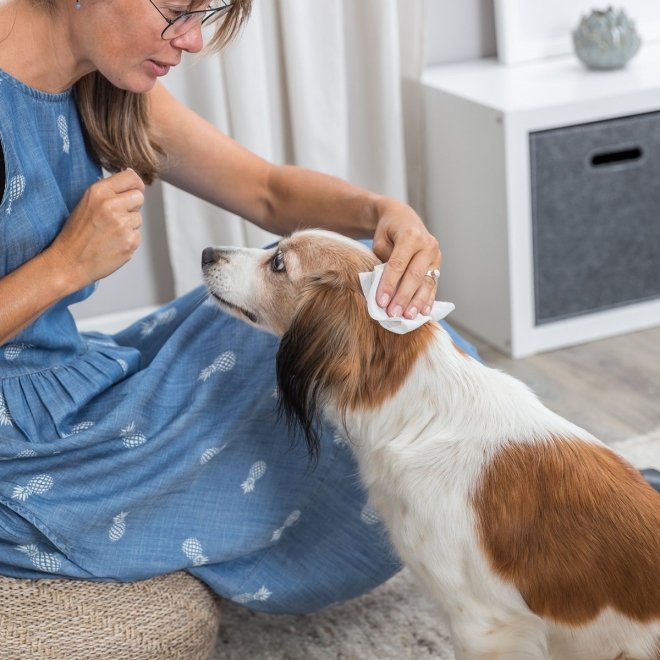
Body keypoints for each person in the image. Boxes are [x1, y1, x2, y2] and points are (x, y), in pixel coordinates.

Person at [0, 0, 477, 614]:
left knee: (338, 303)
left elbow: (267, 190)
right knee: (331, 350)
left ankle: (536, 489)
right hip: (24, 446)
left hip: (70, 380)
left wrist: (384, 213)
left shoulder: (99, 78)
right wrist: (65, 265)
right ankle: (533, 521)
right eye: (176, 11)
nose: (193, 40)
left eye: (204, 12)